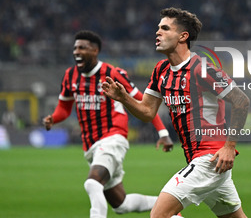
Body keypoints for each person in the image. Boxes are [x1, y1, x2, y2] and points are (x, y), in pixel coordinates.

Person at [103, 7, 250, 218]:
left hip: (209, 157)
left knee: (159, 215)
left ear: (183, 36)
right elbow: (146, 111)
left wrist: (229, 146)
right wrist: (124, 97)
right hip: (204, 161)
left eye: (164, 28)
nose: (157, 32)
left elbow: (241, 101)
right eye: (157, 28)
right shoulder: (161, 70)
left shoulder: (203, 68)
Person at [43, 30, 174, 218]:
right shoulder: (70, 75)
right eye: (75, 48)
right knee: (121, 204)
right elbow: (64, 108)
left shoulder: (112, 73)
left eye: (82, 47)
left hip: (113, 139)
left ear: (95, 50)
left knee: (92, 183)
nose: (76, 52)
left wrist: (163, 133)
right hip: (91, 145)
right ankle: (169, 208)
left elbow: (144, 104)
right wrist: (53, 119)